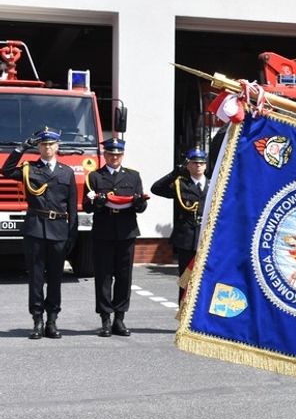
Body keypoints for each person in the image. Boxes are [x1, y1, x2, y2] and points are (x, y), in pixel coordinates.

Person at [2, 127, 78, 339]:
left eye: (51, 144)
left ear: (57, 146)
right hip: (35, 228)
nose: (47, 148)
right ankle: (37, 320)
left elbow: (72, 207)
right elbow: (6, 171)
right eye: (43, 144)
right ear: (38, 147)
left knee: (55, 277)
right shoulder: (29, 169)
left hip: (59, 230)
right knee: (36, 277)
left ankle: (52, 321)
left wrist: (73, 234)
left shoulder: (66, 172)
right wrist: (20, 149)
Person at [84, 137, 147, 336]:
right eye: (111, 154)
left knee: (124, 276)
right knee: (103, 276)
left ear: (122, 155)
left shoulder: (133, 176)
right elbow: (87, 206)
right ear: (105, 155)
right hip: (104, 231)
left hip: (126, 231)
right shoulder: (95, 177)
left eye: (118, 154)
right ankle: (105, 318)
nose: (114, 157)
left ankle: (119, 318)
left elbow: (141, 206)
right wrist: (99, 202)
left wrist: (139, 203)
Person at [150, 147, 209, 301]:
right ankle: (184, 317)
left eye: (201, 163)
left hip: (207, 238)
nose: (198, 166)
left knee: (206, 279)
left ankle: (201, 320)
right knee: (186, 279)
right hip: (187, 240)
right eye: (194, 163)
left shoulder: (213, 184)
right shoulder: (180, 184)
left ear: (206, 165)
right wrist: (174, 173)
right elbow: (156, 189)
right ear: (188, 165)